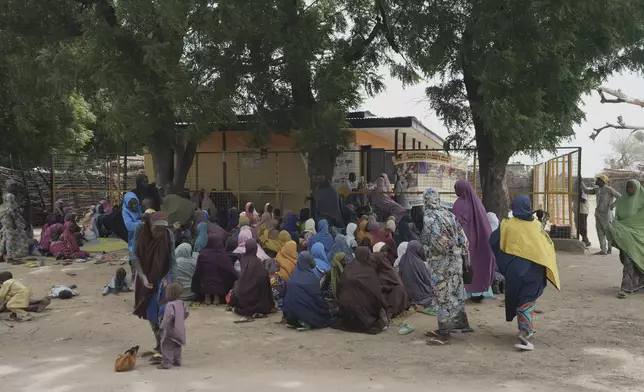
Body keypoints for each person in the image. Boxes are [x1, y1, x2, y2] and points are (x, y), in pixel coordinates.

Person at [490, 195, 560, 351]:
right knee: (527, 298)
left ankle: (525, 328)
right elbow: (547, 246)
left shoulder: (506, 224)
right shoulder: (536, 226)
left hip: (514, 270)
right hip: (534, 270)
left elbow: (493, 241)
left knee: (518, 296)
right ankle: (525, 329)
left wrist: (504, 261)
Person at [421, 188, 472, 345]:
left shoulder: (429, 217)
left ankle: (444, 333)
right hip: (455, 263)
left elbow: (438, 244)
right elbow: (464, 240)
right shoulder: (450, 214)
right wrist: (459, 253)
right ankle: (457, 324)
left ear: (425, 200)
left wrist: (428, 251)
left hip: (441, 264)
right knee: (455, 294)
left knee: (442, 296)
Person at [133, 211, 176, 363]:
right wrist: (142, 277)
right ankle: (158, 343)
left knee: (164, 313)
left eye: (162, 230)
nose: (159, 233)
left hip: (163, 277)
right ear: (150, 225)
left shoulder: (168, 235)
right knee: (150, 311)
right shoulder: (140, 231)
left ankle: (165, 348)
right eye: (156, 229)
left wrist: (172, 282)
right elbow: (134, 255)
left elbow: (172, 260)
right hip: (145, 276)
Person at [451, 180, 495, 300]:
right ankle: (479, 292)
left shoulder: (459, 204)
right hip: (480, 240)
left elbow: (454, 224)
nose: (455, 192)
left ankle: (466, 292)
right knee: (478, 265)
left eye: (456, 189)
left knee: (465, 265)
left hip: (464, 242)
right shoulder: (478, 204)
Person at [335, 247, 388, 334]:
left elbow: (339, 288)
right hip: (364, 314)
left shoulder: (348, 268)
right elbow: (376, 293)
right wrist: (383, 306)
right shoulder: (368, 270)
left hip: (346, 312)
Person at [607, 179, 644, 298]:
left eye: (632, 187)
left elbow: (640, 221)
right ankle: (636, 284)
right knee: (629, 259)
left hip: (638, 236)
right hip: (624, 235)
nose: (629, 190)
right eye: (628, 187)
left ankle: (626, 287)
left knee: (630, 259)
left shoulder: (642, 201)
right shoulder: (622, 200)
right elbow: (618, 219)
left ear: (637, 188)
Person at [282, 251, 331, 330]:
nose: (313, 262)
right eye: (311, 260)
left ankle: (293, 321)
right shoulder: (312, 278)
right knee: (323, 311)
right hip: (304, 313)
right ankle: (305, 321)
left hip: (289, 313)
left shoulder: (293, 276)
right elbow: (317, 298)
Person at [229, 239, 274, 320]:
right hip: (257, 302)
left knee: (237, 285)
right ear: (256, 248)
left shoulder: (242, 259)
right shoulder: (258, 263)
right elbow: (265, 287)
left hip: (242, 300)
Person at [582, 174, 621, 255]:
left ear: (602, 181)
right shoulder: (597, 189)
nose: (596, 181)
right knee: (599, 231)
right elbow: (587, 191)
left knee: (608, 232)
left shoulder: (609, 189)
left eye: (598, 179)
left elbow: (620, 197)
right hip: (598, 214)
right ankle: (603, 249)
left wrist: (613, 205)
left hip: (606, 215)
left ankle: (609, 248)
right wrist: (581, 183)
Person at [193, 236, 239, 305]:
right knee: (219, 277)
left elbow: (198, 270)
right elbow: (229, 269)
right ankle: (216, 297)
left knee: (207, 278)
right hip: (219, 284)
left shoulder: (203, 254)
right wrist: (237, 278)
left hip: (204, 284)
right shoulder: (222, 254)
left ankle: (207, 296)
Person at [398, 240, 436, 314]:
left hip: (406, 295)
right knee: (436, 295)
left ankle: (413, 303)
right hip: (420, 295)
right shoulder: (419, 263)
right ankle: (420, 304)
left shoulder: (402, 260)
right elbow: (428, 280)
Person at [157, 283, 188, 369]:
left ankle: (167, 362)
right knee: (177, 345)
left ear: (171, 294)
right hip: (180, 329)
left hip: (170, 330)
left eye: (166, 293)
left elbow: (167, 318)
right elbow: (186, 313)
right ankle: (177, 360)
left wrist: (161, 327)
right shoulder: (181, 303)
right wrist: (180, 320)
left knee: (166, 345)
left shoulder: (169, 305)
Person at [372, 252, 409, 320]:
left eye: (374, 262)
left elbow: (397, 285)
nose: (373, 264)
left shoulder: (389, 271)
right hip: (379, 294)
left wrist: (383, 287)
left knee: (399, 289)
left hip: (391, 295)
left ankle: (390, 312)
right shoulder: (372, 271)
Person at [0, 193, 30, 262]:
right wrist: (14, 224)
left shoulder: (3, 206)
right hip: (10, 225)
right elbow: (11, 215)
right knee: (10, 240)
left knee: (5, 240)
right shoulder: (8, 206)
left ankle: (3, 255)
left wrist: (23, 222)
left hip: (7, 225)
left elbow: (16, 214)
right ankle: (10, 257)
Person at [122, 192, 142, 272]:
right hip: (133, 238)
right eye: (131, 204)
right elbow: (130, 227)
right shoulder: (125, 211)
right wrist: (142, 222)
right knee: (134, 258)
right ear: (127, 204)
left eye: (135, 203)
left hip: (143, 238)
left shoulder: (140, 208)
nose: (134, 206)